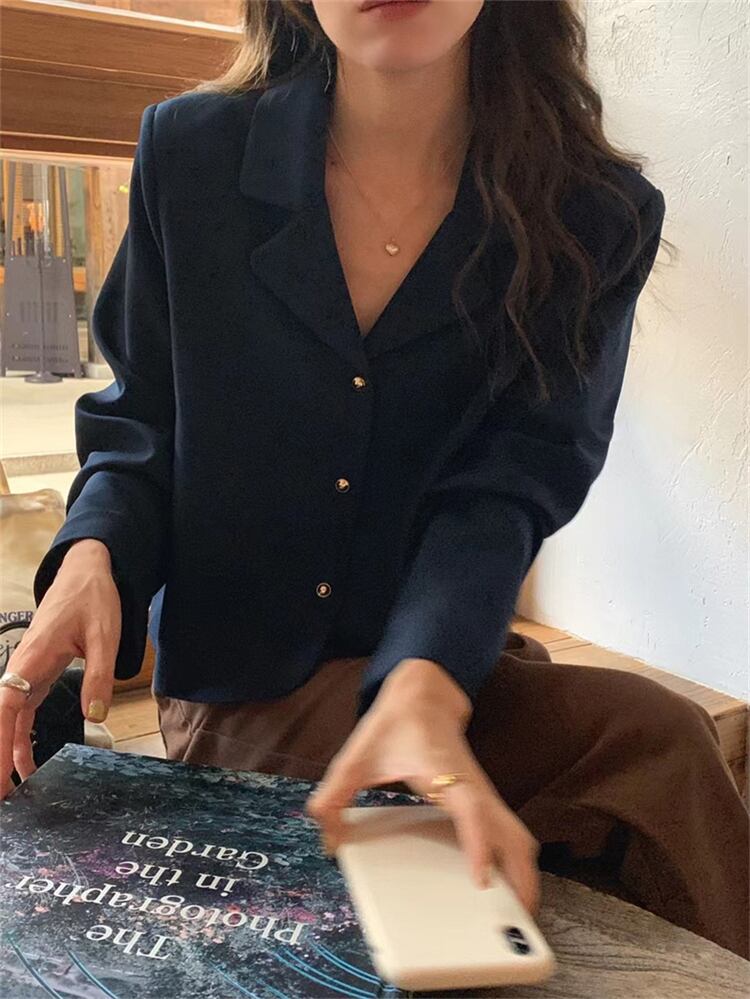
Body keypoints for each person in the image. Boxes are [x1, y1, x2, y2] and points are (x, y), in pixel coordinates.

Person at [1, 0, 747, 959]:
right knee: (413, 892)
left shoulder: (594, 212)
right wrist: (92, 555)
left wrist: (426, 683)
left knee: (666, 742)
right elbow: (140, 421)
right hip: (246, 683)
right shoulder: (191, 153)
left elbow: (508, 488)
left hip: (446, 661)